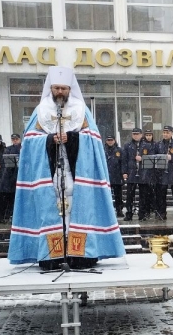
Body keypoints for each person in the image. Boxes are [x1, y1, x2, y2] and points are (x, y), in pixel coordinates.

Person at [8, 66, 124, 267]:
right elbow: (29, 141)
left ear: (70, 89)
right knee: (49, 212)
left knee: (79, 210)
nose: (60, 92)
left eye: (63, 88)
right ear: (50, 88)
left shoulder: (81, 110)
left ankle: (80, 256)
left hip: (76, 173)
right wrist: (50, 139)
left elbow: (94, 140)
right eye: (56, 88)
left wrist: (72, 138)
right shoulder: (41, 111)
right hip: (49, 174)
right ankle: (53, 256)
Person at [155, 125, 173, 221]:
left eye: (167, 132)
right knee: (161, 195)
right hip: (162, 173)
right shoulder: (158, 144)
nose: (165, 134)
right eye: (164, 132)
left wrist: (172, 158)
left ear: (171, 133)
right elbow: (154, 157)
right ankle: (162, 213)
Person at [0, 133, 20, 224]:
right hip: (6, 179)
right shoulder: (8, 149)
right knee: (3, 199)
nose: (14, 141)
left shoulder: (22, 148)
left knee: (12, 199)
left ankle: (9, 216)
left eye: (16, 139)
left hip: (14, 178)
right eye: (13, 139)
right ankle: (3, 217)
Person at [122, 127, 144, 221]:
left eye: (137, 134)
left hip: (143, 173)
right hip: (132, 172)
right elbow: (124, 160)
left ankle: (142, 214)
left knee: (143, 195)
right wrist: (124, 172)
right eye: (134, 134)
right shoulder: (127, 145)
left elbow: (150, 157)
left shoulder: (146, 145)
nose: (136, 136)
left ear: (141, 135)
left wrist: (142, 159)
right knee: (130, 195)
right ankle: (129, 213)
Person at [105, 135, 124, 218]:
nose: (110, 141)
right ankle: (107, 211)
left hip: (117, 176)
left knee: (118, 195)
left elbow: (123, 163)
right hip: (106, 176)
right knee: (107, 195)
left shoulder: (119, 150)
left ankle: (119, 210)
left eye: (111, 140)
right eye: (108, 140)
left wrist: (123, 173)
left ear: (114, 140)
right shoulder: (103, 150)